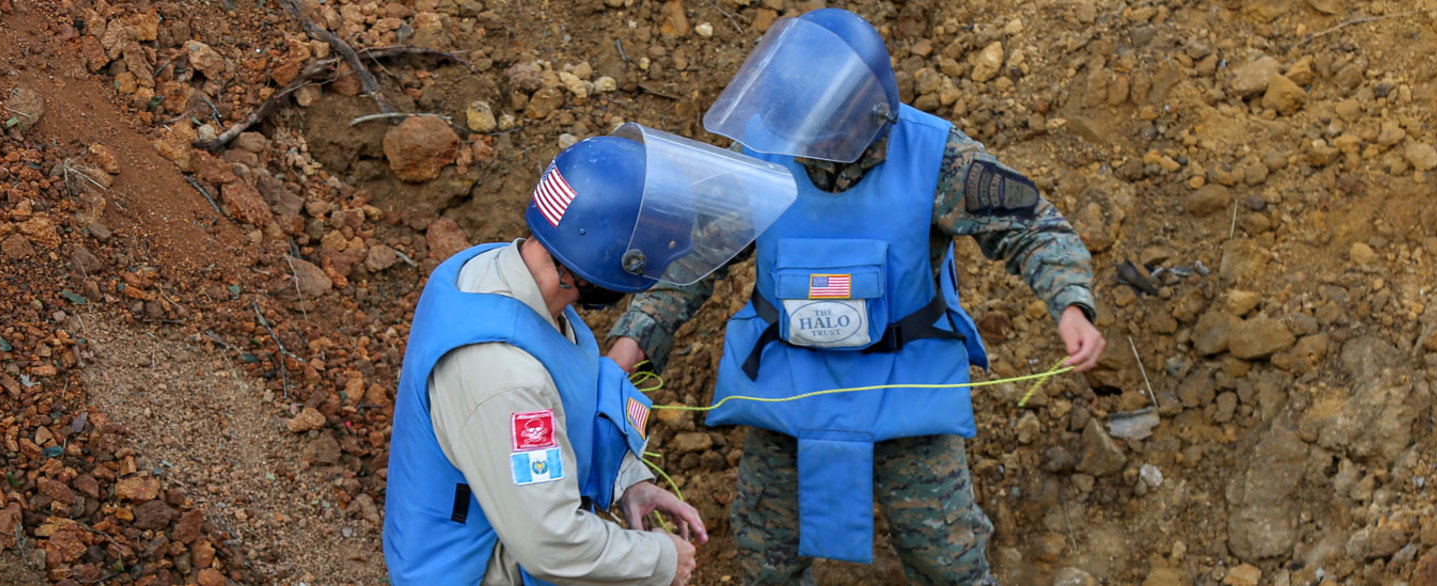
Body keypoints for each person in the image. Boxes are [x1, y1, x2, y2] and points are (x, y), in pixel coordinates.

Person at [604, 8, 1106, 585]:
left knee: (948, 560)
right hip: (789, 387)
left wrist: (1071, 303)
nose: (808, 145)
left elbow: (1032, 226)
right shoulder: (766, 154)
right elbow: (693, 259)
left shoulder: (937, 157)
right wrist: (632, 341)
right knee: (766, 557)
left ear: (865, 113)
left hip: (906, 389)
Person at [385, 123, 798, 585]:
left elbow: (569, 399)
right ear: (604, 257)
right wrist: (661, 559)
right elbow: (552, 543)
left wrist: (630, 483)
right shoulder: (503, 374)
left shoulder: (500, 273)